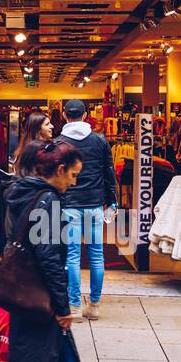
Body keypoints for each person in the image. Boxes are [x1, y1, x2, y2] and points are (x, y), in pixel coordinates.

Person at [0, 140, 88, 362]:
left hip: (34, 298)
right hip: (40, 303)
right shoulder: (48, 201)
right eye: (73, 175)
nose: (74, 182)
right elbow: (48, 259)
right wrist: (62, 305)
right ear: (59, 169)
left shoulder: (28, 193)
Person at [55, 99, 116, 321]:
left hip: (68, 205)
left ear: (64, 115)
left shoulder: (59, 143)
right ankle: (95, 305)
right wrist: (112, 200)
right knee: (96, 255)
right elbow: (109, 173)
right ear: (86, 114)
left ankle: (74, 306)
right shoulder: (100, 141)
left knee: (71, 256)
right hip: (94, 204)